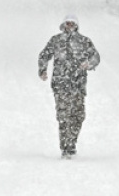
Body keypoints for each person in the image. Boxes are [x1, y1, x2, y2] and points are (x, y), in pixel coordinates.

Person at [38, 14, 100, 159]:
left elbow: (96, 57)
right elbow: (44, 55)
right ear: (63, 25)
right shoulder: (56, 40)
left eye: (72, 24)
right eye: (67, 24)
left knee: (78, 116)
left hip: (78, 85)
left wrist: (88, 64)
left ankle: (72, 141)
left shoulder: (84, 41)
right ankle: (66, 147)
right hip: (60, 85)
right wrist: (42, 70)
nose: (70, 26)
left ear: (76, 25)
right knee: (64, 116)